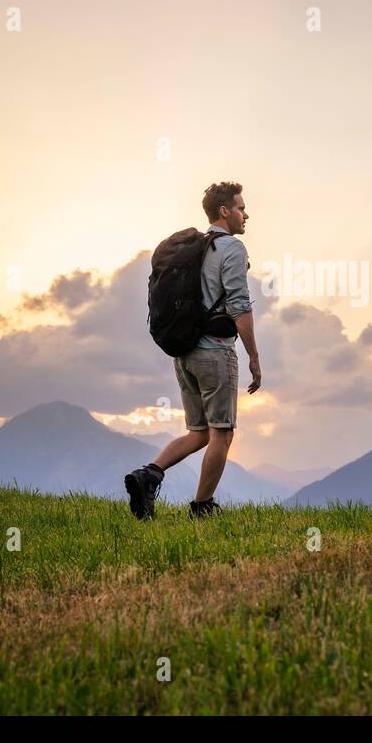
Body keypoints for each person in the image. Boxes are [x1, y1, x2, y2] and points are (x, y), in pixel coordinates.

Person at [125, 181, 262, 520]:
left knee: (199, 432)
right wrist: (254, 357)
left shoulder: (195, 249)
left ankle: (148, 475)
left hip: (184, 352)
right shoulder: (230, 248)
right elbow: (239, 304)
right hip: (215, 351)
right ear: (224, 211)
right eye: (242, 208)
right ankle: (202, 508)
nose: (247, 214)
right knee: (222, 433)